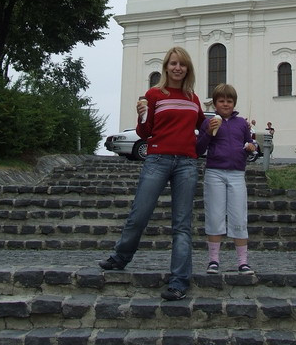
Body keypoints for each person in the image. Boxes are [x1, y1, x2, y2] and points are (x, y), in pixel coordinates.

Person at [98, 46, 215, 302]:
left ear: (188, 69)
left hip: (186, 163)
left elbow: (202, 129)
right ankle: (121, 257)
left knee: (182, 225)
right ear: (166, 67)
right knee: (139, 214)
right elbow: (143, 132)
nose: (177, 68)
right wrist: (141, 116)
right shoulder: (154, 95)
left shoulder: (192, 98)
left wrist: (213, 127)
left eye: (182, 64)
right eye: (173, 63)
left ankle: (179, 281)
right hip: (157, 159)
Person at [196, 83, 256, 275]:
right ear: (214, 104)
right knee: (214, 214)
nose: (225, 104)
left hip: (237, 173)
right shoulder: (209, 122)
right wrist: (207, 131)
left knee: (239, 215)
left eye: (229, 101)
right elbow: (199, 149)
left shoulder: (241, 124)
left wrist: (250, 148)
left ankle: (243, 261)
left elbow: (249, 142)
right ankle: (213, 260)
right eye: (221, 101)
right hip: (215, 172)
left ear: (234, 103)